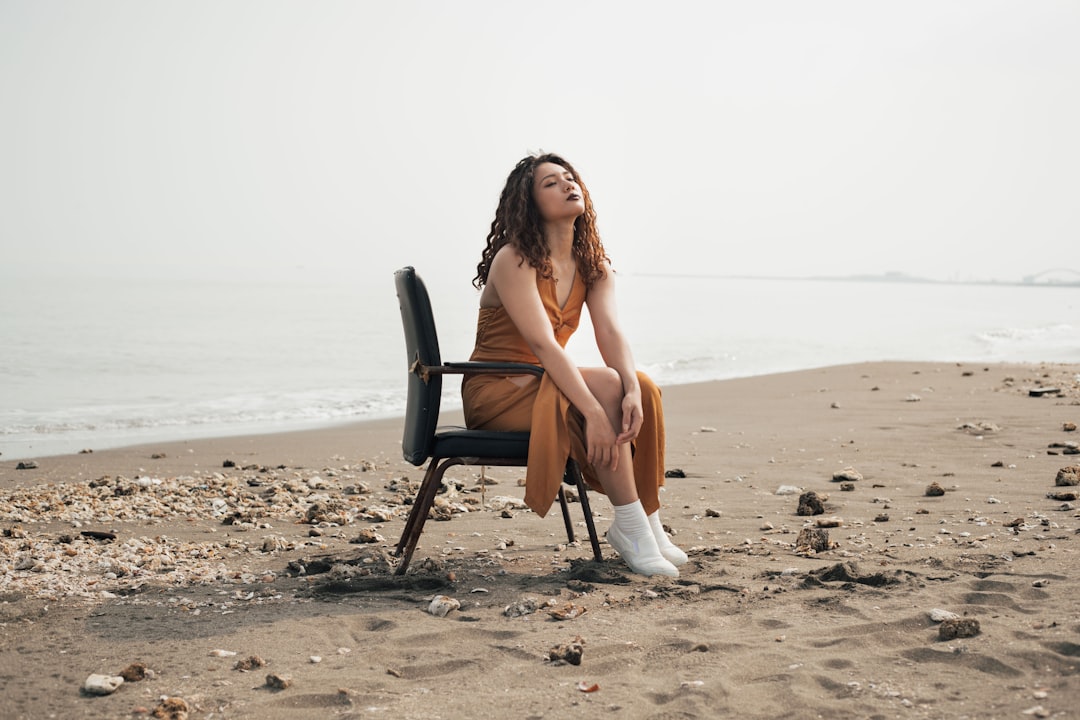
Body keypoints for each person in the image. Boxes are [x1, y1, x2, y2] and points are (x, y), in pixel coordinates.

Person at [462, 152, 686, 578]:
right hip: (499, 391)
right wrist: (595, 411)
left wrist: (632, 391)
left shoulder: (594, 266)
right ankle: (633, 526)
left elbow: (610, 335)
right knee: (605, 388)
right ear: (528, 203)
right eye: (551, 183)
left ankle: (646, 523)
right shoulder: (515, 259)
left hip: (545, 383)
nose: (568, 185)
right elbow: (544, 345)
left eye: (570, 178)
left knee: (641, 384)